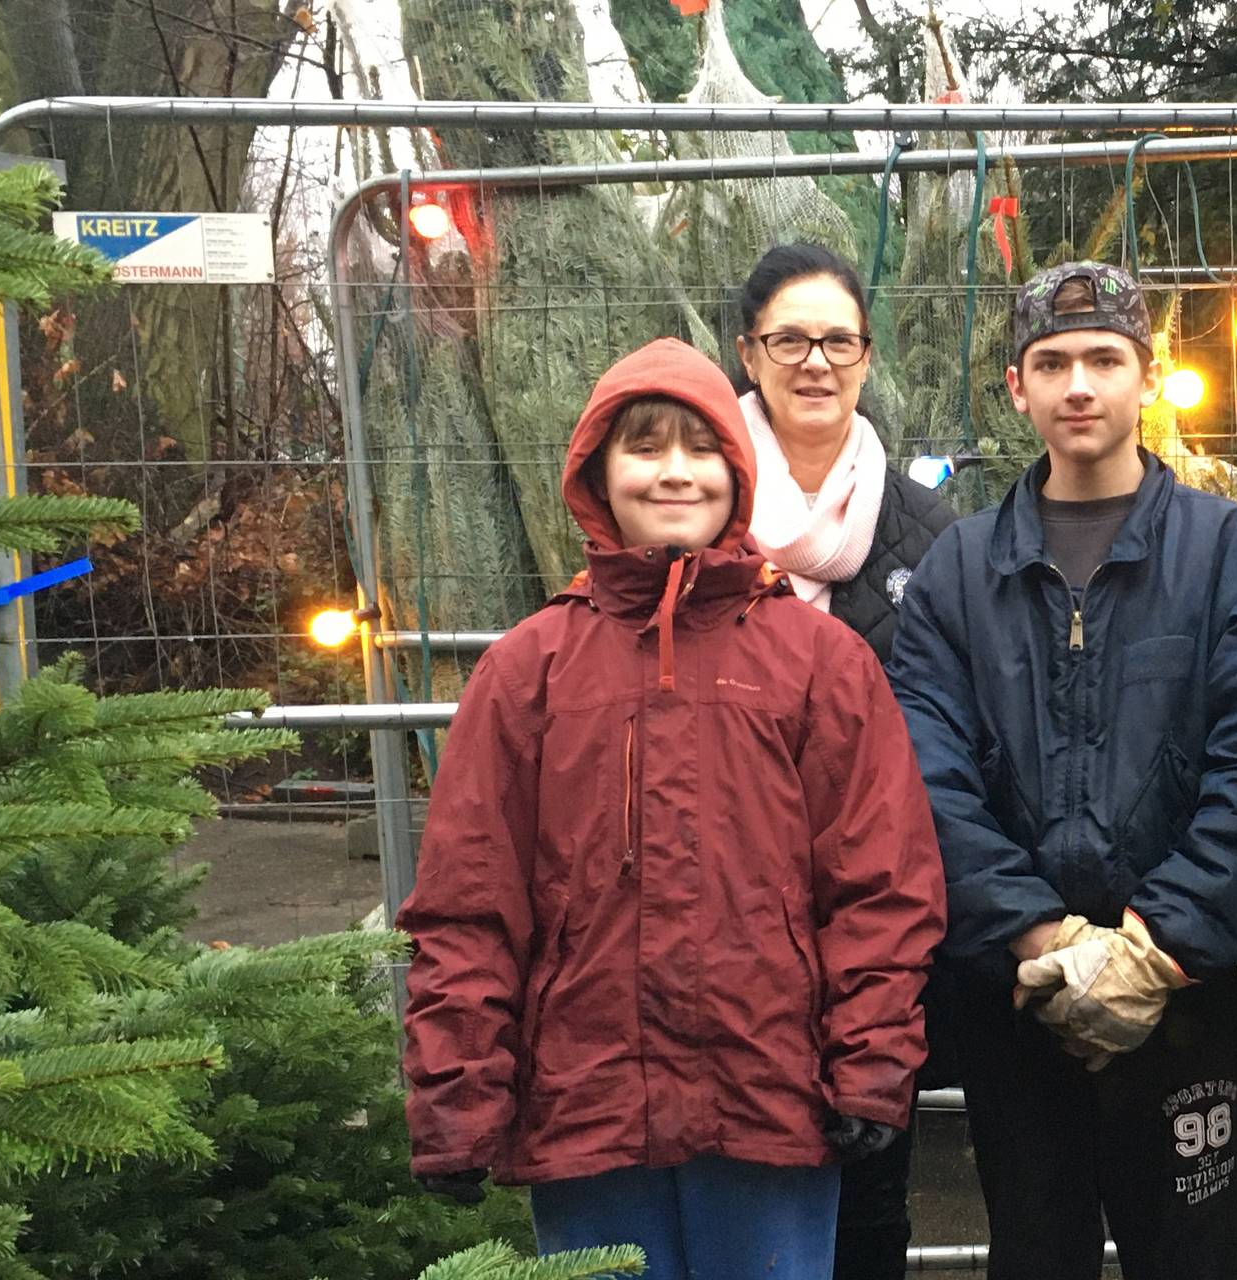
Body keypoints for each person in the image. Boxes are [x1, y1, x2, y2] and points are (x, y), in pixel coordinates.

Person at [399, 337, 947, 1280]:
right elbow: (469, 898)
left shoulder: (817, 663)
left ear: (737, 471)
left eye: (701, 449)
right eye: (645, 449)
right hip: (587, 1105)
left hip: (768, 1099)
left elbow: (882, 884)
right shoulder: (528, 671)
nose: (675, 473)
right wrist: (456, 1086)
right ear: (596, 474)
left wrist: (870, 1059)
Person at [887, 260, 1237, 1280]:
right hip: (1015, 1000)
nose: (1077, 383)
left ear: (1146, 374)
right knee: (1033, 1253)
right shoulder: (958, 572)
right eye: (1052, 362)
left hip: (1182, 998)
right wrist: (1041, 940)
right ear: (1015, 386)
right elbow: (924, 778)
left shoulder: (1230, 557)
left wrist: (1150, 948)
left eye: (1102, 358)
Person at [729, 242, 961, 1280]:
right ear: (748, 353)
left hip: (871, 908)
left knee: (868, 1198)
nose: (814, 360)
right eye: (789, 338)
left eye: (838, 339)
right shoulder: (695, 505)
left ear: (867, 356)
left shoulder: (927, 533)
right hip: (725, 904)